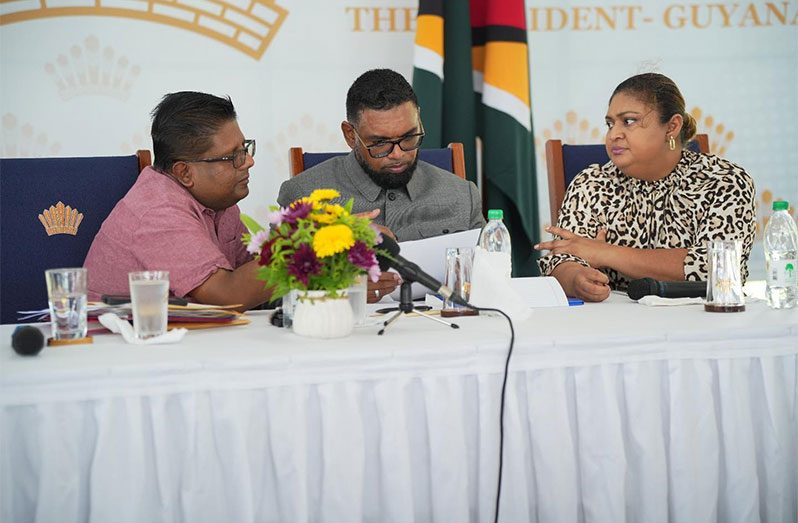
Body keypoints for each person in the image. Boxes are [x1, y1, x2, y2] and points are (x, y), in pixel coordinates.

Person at [535, 73, 756, 302]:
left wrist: (605, 253)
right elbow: (561, 260)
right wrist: (575, 279)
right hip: (615, 323)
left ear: (672, 126)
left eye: (629, 121)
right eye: (610, 124)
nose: (614, 134)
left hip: (702, 320)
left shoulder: (724, 181)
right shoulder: (591, 183)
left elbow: (719, 268)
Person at [278, 68, 485, 302]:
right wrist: (341, 288)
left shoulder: (462, 195)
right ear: (350, 135)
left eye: (409, 137)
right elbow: (273, 294)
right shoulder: (304, 196)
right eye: (380, 144)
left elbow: (495, 280)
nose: (397, 154)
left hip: (445, 332)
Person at [84, 91, 271, 311]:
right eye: (233, 156)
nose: (248, 161)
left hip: (194, 336)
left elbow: (251, 274)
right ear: (184, 173)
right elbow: (227, 296)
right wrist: (303, 251)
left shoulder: (220, 200)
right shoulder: (157, 211)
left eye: (245, 148)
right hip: (117, 339)